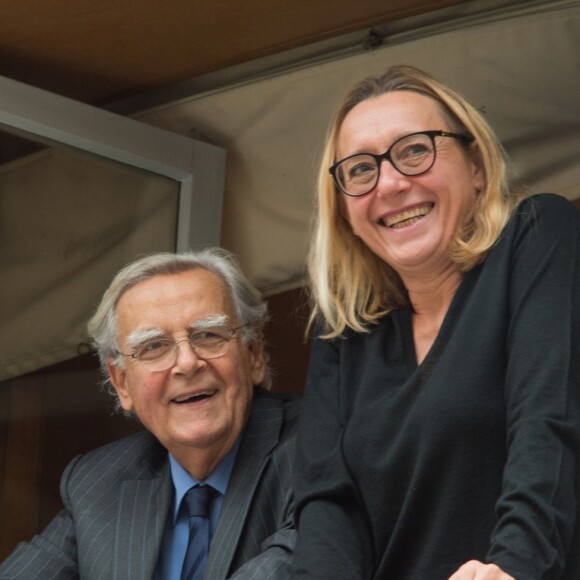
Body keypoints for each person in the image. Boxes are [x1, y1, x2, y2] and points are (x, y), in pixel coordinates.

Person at [291, 64, 580, 579]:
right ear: (343, 210)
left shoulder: (539, 236)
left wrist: (513, 569)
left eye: (415, 149)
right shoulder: (344, 329)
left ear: (476, 165)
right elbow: (327, 503)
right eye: (360, 169)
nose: (391, 183)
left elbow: (549, 423)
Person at [0, 248, 300, 579]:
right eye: (154, 347)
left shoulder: (320, 449)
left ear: (254, 353)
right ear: (122, 383)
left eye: (208, 335)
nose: (187, 363)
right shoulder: (98, 483)